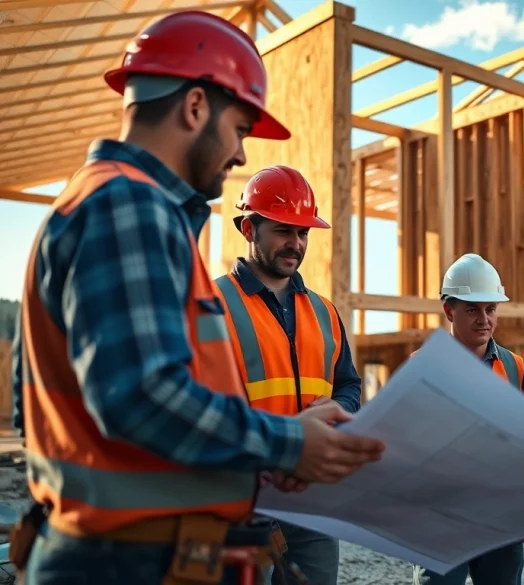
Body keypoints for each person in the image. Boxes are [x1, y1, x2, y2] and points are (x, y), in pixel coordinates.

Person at [7, 11, 384, 585]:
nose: (238, 155)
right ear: (194, 107)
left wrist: (262, 459)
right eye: (239, 129)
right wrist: (285, 444)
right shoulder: (127, 205)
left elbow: (33, 405)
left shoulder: (99, 202)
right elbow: (139, 397)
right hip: (126, 561)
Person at [216, 165, 362, 585]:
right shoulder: (210, 305)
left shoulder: (324, 312)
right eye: (283, 230)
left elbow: (348, 383)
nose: (295, 244)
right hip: (241, 501)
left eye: (303, 233)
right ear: (249, 228)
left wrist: (340, 405)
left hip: (312, 502)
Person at [413, 253, 524, 585]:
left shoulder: (515, 369)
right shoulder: (420, 368)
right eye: (472, 309)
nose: (484, 319)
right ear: (448, 311)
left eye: (491, 309)